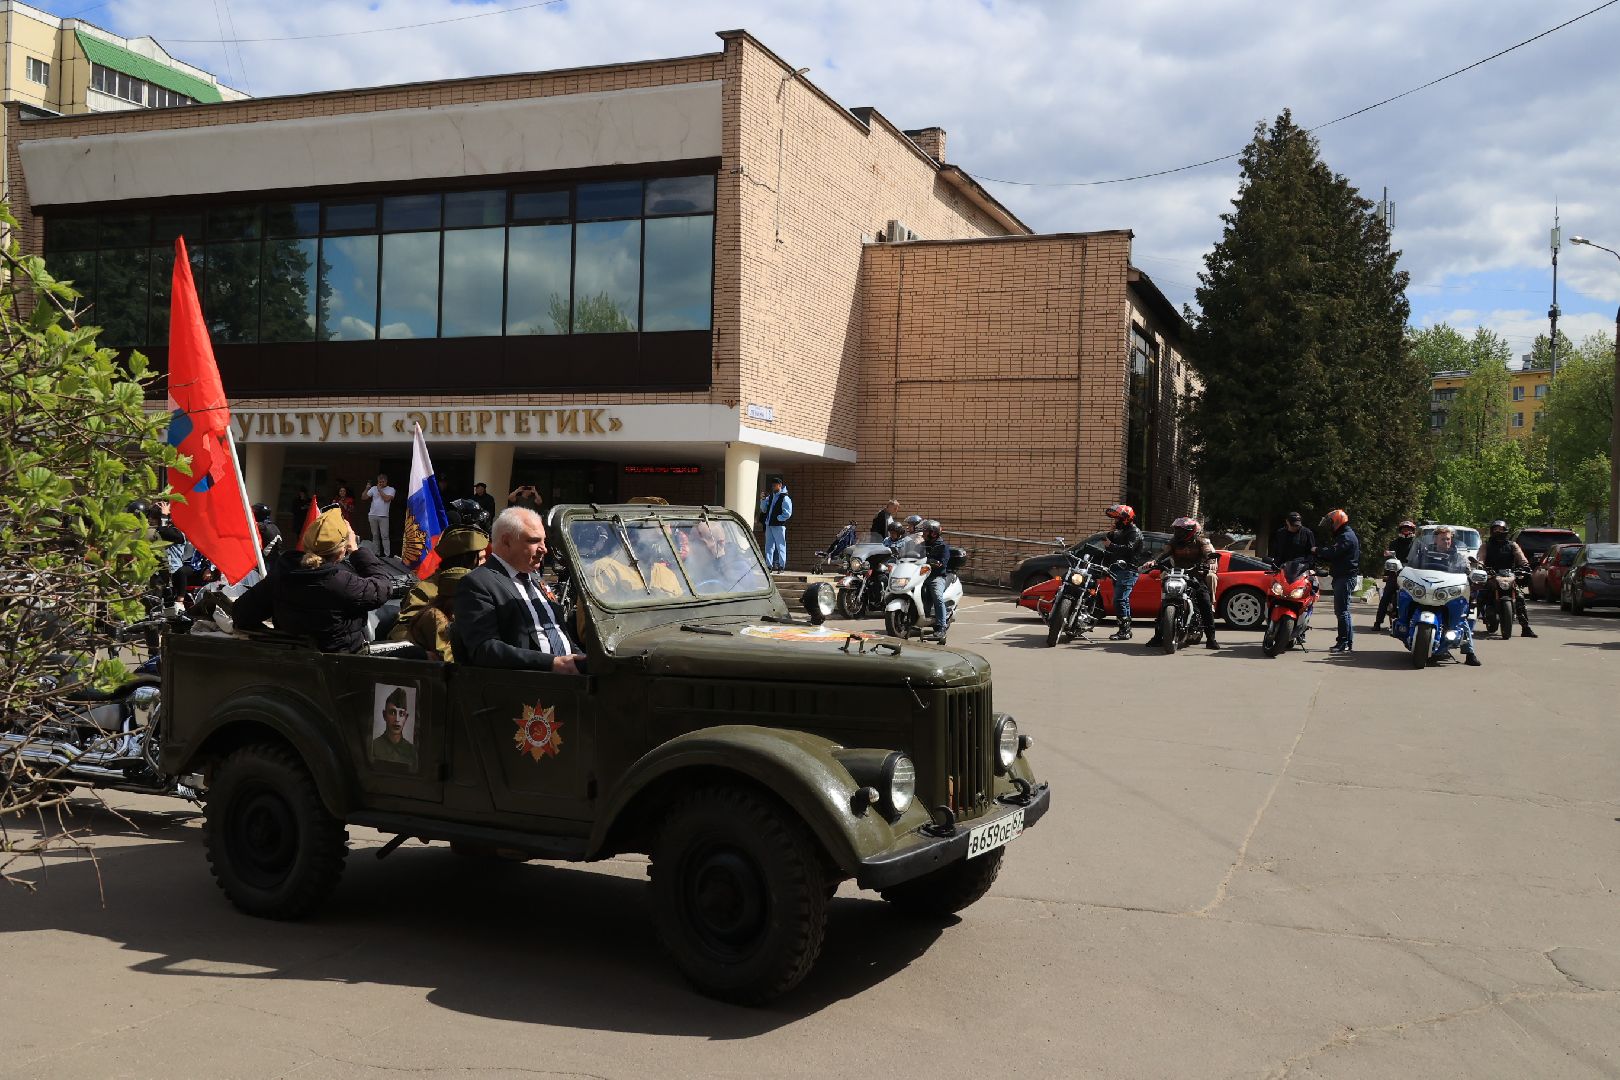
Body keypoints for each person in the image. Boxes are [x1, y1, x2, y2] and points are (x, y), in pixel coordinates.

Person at [233, 507, 400, 653]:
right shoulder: (343, 583)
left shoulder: (281, 575)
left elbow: (242, 614)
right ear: (342, 550)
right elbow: (383, 587)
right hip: (341, 667)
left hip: (296, 662)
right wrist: (356, 552)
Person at [452, 507, 586, 672]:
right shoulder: (477, 583)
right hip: (523, 687)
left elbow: (559, 633)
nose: (544, 549)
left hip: (570, 684)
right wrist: (550, 663)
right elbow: (484, 649)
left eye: (544, 541)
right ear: (507, 541)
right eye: (533, 541)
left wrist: (581, 661)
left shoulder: (536, 580)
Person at [388, 524, 490, 641]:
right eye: (481, 558)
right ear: (466, 560)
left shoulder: (482, 585)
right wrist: (423, 654)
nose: (485, 562)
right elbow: (402, 631)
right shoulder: (425, 590)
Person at [1143, 516, 1221, 649]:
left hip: (1196, 575)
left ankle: (1211, 639)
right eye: (1177, 530)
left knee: (1205, 603)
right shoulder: (1173, 542)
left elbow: (1209, 553)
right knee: (1164, 602)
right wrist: (1153, 562)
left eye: (1181, 531)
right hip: (1177, 575)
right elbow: (1162, 553)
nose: (1178, 533)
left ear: (1191, 531)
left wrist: (1211, 563)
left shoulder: (1202, 541)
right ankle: (1158, 637)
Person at [1411, 526, 1482, 666]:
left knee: (1462, 617)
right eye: (1443, 539)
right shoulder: (1423, 554)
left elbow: (1467, 573)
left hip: (1447, 593)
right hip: (1426, 590)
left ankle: (1469, 653)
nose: (1446, 542)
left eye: (1448, 539)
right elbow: (1412, 566)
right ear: (1435, 540)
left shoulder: (1458, 557)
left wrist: (1472, 577)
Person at [1478, 519, 1536, 637]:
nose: (1498, 531)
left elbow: (1521, 558)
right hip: (1491, 576)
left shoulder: (1512, 545)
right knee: (1480, 596)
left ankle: (1525, 628)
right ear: (1492, 531)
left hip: (1509, 576)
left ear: (1505, 531)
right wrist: (1480, 566)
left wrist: (1525, 567)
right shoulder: (1486, 546)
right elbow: (1481, 558)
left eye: (1501, 529)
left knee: (1520, 597)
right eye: (1496, 529)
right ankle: (1468, 626)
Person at [1314, 508, 1360, 654]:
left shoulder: (1346, 537)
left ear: (1337, 522)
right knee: (1343, 611)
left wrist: (1317, 550)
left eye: (1331, 523)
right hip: (1343, 576)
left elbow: (1334, 552)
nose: (1330, 527)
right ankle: (1347, 642)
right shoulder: (1344, 535)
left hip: (1345, 578)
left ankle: (1343, 642)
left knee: (1342, 611)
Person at [1102, 504, 1145, 640]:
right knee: (1122, 600)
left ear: (1126, 519)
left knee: (1119, 599)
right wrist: (1110, 534)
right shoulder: (1121, 531)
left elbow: (1128, 549)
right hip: (1117, 569)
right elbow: (1109, 545)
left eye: (1117, 519)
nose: (1115, 521)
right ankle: (1125, 630)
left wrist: (1111, 545)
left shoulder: (1134, 532)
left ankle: (1124, 630)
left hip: (1128, 570)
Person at [1372, 519, 1418, 632]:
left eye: (1408, 529)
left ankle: (1417, 622)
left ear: (1413, 530)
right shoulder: (1394, 543)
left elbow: (1422, 558)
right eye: (1404, 529)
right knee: (1386, 595)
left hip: (1412, 575)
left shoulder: (1417, 544)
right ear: (1400, 530)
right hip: (1396, 574)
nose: (1406, 531)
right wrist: (1389, 564)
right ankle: (1378, 622)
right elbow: (1389, 556)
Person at [917, 519, 953, 642]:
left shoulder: (942, 546)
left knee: (937, 597)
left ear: (933, 533)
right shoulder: (921, 544)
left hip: (935, 577)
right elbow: (911, 554)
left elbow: (942, 563)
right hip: (919, 576)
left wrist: (934, 562)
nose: (923, 533)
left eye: (926, 531)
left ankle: (941, 626)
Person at [370, 687, 419, 767]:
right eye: (392, 712)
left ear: (406, 718)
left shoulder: (412, 751)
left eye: (401, 714)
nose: (397, 719)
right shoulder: (374, 746)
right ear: (384, 715)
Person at [759, 478, 792, 572]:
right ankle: (769, 566)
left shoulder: (784, 497)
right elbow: (764, 509)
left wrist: (778, 518)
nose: (773, 486)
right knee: (769, 546)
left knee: (780, 546)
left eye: (775, 485)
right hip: (769, 525)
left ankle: (781, 566)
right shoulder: (771, 497)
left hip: (778, 526)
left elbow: (788, 513)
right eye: (772, 485)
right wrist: (763, 500)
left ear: (780, 485)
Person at [362, 474, 396, 557]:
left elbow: (387, 499)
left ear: (386, 481)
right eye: (379, 482)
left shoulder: (391, 489)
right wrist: (367, 488)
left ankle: (387, 555)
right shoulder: (373, 488)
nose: (381, 483)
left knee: (385, 536)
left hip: (384, 516)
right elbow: (363, 497)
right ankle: (376, 554)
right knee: (375, 535)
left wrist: (380, 490)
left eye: (383, 482)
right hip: (372, 515)